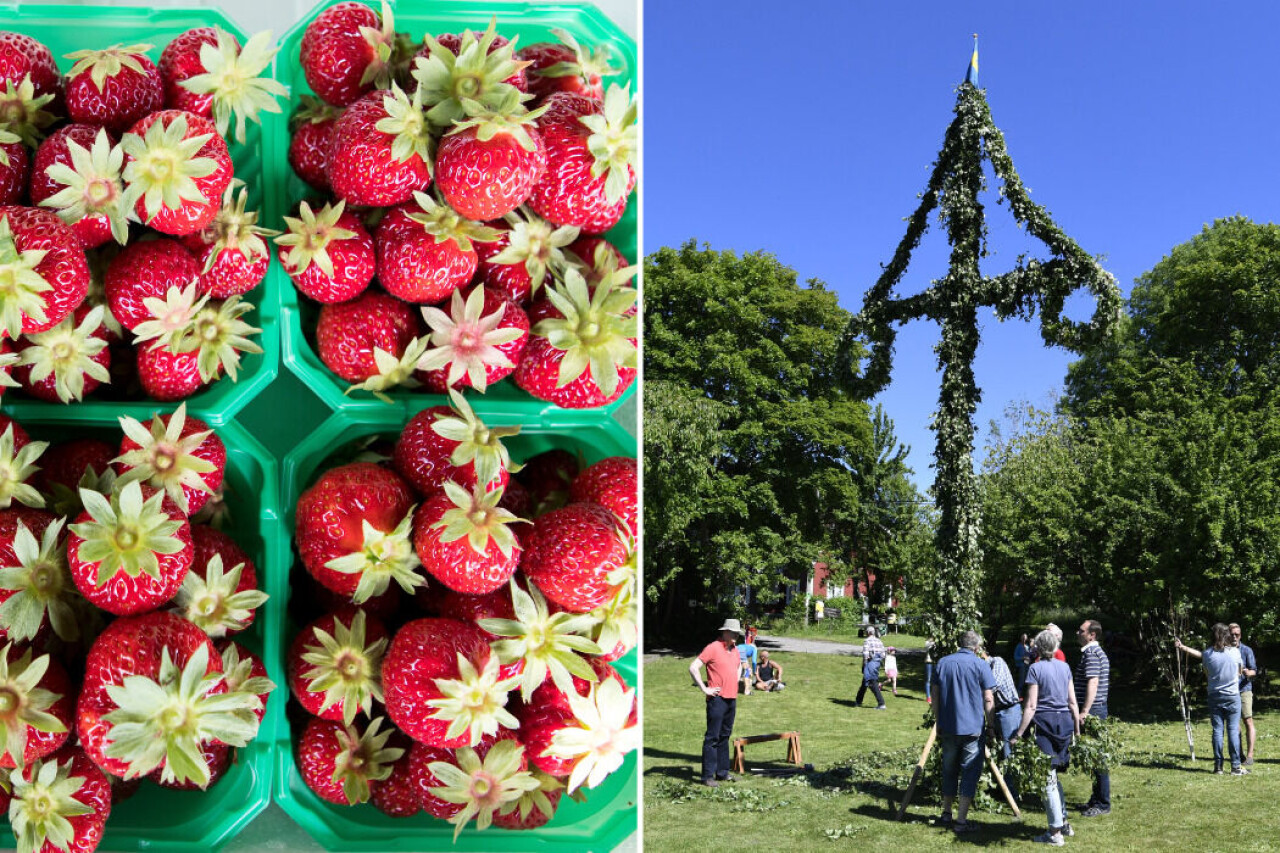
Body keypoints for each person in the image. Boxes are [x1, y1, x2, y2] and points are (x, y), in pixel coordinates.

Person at [1011, 629, 1080, 847]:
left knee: (1047, 779)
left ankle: (1055, 832)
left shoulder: (1035, 669)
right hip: (1065, 725)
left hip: (1045, 724)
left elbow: (1031, 705)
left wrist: (1019, 734)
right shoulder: (1065, 667)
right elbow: (1072, 702)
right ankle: (1063, 822)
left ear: (1038, 648)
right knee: (1053, 776)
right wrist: (1077, 729)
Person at [931, 630, 995, 835]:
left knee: (949, 769)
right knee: (969, 773)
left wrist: (938, 720)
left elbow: (935, 694)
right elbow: (988, 698)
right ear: (976, 647)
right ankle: (961, 822)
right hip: (973, 729)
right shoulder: (980, 664)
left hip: (948, 726)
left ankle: (946, 813)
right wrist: (991, 726)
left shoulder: (943, 663)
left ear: (960, 644)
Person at [1175, 624, 1246, 775]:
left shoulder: (1208, 654)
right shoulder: (1235, 652)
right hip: (1233, 696)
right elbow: (1240, 672)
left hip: (1214, 696)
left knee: (1217, 731)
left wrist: (1182, 647)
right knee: (1233, 730)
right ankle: (1235, 767)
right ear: (1227, 635)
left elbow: (1206, 670)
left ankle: (1218, 767)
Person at [689, 618, 744, 787]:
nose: (735, 636)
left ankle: (722, 773)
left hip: (731, 699)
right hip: (717, 700)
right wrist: (705, 689)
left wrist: (737, 678)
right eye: (733, 632)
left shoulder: (734, 650)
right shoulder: (713, 647)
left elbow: (739, 666)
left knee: (724, 736)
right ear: (724, 632)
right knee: (712, 737)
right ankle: (707, 776)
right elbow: (693, 667)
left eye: (737, 633)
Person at [1075, 619, 1111, 817]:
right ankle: (1096, 799)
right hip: (1096, 709)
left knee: (1098, 759)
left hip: (1094, 710)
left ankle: (1103, 803)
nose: (1077, 633)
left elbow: (1093, 683)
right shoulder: (1094, 653)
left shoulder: (1092, 654)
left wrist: (1085, 711)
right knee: (1094, 757)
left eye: (1081, 631)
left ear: (1092, 635)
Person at [979, 646, 1022, 801]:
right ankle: (998, 788)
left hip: (1008, 710)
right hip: (996, 711)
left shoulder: (997, 662)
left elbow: (991, 687)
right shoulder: (983, 668)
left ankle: (1012, 792)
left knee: (1007, 751)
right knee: (995, 750)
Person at [1230, 623, 1258, 766]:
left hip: (1244, 689)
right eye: (1232, 634)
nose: (1234, 637)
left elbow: (1254, 670)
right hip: (1229, 691)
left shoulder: (1246, 650)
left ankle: (1250, 755)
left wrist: (1248, 672)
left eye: (1237, 634)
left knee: (1248, 721)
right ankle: (1238, 754)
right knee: (1234, 725)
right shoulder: (1224, 650)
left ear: (1240, 635)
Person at [855, 626, 886, 709]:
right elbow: (883, 654)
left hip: (870, 662)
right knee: (865, 682)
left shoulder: (867, 641)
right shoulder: (879, 641)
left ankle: (881, 703)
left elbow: (865, 654)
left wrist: (864, 665)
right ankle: (858, 701)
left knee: (872, 682)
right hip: (877, 662)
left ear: (868, 633)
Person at [924, 638, 936, 705]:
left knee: (935, 679)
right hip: (929, 662)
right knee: (928, 679)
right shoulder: (927, 642)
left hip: (935, 662)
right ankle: (928, 697)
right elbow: (928, 646)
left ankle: (934, 695)